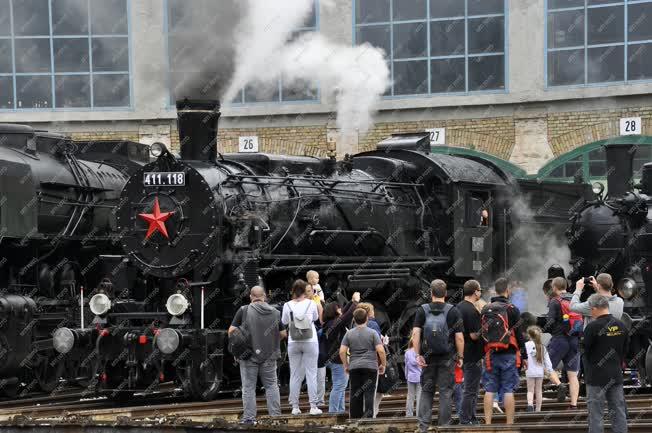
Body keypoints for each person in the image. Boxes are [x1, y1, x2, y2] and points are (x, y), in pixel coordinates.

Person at [411, 279, 464, 432]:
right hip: (447, 358)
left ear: (431, 293)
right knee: (445, 392)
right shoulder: (453, 311)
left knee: (427, 392)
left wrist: (418, 355)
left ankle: (423, 427)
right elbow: (459, 338)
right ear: (445, 294)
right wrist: (460, 356)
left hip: (428, 358)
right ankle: (444, 426)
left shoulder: (422, 310)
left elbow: (416, 334)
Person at [228, 286, 285, 424]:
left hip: (248, 356)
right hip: (269, 356)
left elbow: (231, 331)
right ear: (264, 296)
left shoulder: (244, 310)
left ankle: (249, 418)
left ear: (251, 297)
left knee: (248, 388)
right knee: (271, 386)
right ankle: (275, 418)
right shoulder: (276, 312)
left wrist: (241, 345)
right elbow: (283, 334)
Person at [481, 277, 525, 425]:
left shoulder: (486, 308)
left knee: (489, 389)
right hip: (509, 353)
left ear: (495, 290)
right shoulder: (512, 309)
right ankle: (509, 424)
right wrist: (524, 356)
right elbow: (519, 335)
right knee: (508, 389)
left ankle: (487, 423)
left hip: (491, 354)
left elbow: (483, 333)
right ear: (508, 290)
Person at [583, 294, 629, 433]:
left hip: (596, 377)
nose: (591, 312)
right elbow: (625, 351)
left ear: (595, 308)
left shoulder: (592, 327)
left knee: (596, 415)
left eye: (591, 309)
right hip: (616, 375)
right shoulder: (622, 325)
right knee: (618, 412)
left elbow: (585, 351)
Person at [281, 279, 322, 415]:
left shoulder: (287, 305)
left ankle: (295, 407)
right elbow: (316, 318)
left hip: (293, 341)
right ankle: (313, 407)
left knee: (295, 374)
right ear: (305, 291)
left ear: (293, 291)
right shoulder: (311, 303)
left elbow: (284, 321)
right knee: (311, 373)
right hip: (310, 340)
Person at [339, 308, 387, 419]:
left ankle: (355, 419)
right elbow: (381, 350)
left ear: (354, 320)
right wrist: (383, 364)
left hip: (354, 367)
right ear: (366, 319)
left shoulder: (349, 334)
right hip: (370, 367)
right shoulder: (373, 333)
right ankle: (368, 419)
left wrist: (346, 365)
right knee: (369, 393)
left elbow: (342, 351)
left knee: (355, 393)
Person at [321, 292, 360, 413]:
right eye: (338, 307)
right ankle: (333, 412)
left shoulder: (330, 323)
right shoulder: (334, 323)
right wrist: (355, 302)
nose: (340, 309)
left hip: (335, 359)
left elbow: (344, 313)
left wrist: (351, 301)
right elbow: (347, 316)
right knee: (339, 386)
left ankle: (340, 411)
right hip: (337, 359)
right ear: (334, 311)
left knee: (341, 386)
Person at [543, 277, 577, 408]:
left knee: (545, 366)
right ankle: (573, 405)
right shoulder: (575, 299)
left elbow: (550, 322)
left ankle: (559, 385)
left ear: (554, 287)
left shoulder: (555, 301)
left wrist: (545, 330)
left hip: (559, 340)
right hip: (574, 339)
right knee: (573, 375)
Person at [456, 279, 483, 425]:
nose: (480, 293)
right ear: (475, 292)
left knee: (470, 388)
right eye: (479, 290)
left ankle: (471, 417)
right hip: (473, 353)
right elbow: (474, 335)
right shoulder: (472, 310)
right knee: (471, 389)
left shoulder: (458, 307)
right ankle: (466, 419)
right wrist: (484, 328)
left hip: (463, 352)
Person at [356, 302, 385, 417]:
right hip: (371, 361)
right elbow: (379, 347)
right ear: (369, 312)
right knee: (372, 391)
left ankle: (363, 414)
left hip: (357, 362)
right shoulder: (373, 324)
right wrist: (383, 363)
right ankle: (370, 415)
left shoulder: (355, 325)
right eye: (373, 310)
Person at [525, 326, 563, 412]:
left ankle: (530, 405)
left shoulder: (526, 345)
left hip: (529, 371)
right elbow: (548, 362)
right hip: (539, 372)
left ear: (529, 335)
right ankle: (538, 409)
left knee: (530, 390)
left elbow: (523, 357)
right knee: (538, 390)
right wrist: (549, 371)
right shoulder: (542, 347)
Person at [404, 337, 422, 417]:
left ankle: (409, 415)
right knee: (419, 396)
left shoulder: (407, 353)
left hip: (410, 377)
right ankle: (419, 414)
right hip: (420, 376)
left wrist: (406, 376)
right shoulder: (420, 352)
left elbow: (406, 366)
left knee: (410, 397)